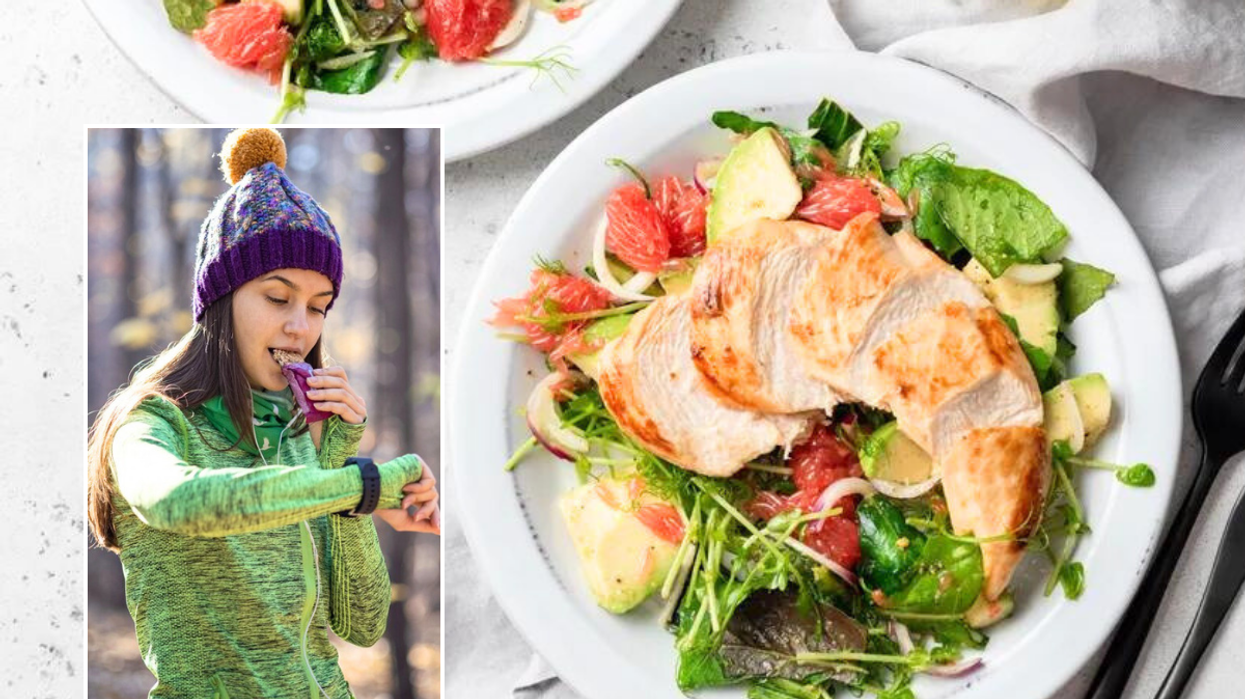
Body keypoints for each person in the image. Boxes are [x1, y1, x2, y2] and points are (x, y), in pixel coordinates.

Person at [86, 127, 439, 698]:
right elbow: (178, 501)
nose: (301, 327)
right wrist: (362, 483)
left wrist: (337, 460)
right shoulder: (150, 424)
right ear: (221, 303)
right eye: (278, 298)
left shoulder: (296, 434)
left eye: (318, 307)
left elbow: (363, 625)